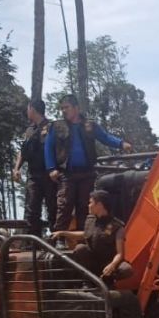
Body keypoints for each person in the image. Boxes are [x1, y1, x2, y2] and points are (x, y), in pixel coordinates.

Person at [44, 94, 133, 231]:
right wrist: (51, 168)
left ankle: (84, 237)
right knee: (64, 205)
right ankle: (59, 238)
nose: (64, 111)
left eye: (67, 107)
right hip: (67, 173)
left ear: (76, 108)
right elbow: (48, 147)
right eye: (62, 108)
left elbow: (105, 137)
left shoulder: (89, 125)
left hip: (87, 173)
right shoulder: (56, 127)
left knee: (85, 207)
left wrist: (121, 143)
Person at [51, 190, 133, 285]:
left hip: (108, 261)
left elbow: (120, 254)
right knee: (80, 248)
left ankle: (107, 279)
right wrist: (62, 233)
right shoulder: (90, 220)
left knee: (126, 269)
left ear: (99, 205)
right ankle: (88, 280)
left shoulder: (117, 226)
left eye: (91, 202)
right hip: (93, 259)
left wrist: (112, 265)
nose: (89, 205)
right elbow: (85, 234)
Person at [12, 98, 54, 237]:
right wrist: (17, 168)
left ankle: (56, 240)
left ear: (32, 109)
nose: (27, 111)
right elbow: (23, 151)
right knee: (32, 210)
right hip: (33, 175)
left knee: (52, 208)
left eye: (28, 108)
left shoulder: (51, 127)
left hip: (49, 175)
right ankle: (33, 242)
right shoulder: (30, 130)